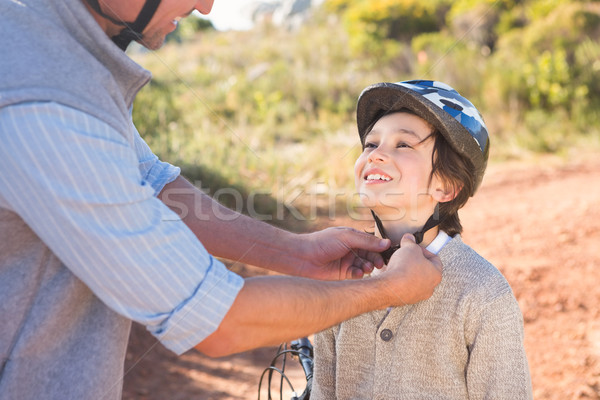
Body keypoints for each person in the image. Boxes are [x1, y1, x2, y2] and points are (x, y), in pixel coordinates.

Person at [0, 1, 443, 399]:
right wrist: (386, 290)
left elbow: (152, 181)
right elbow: (217, 320)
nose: (207, 7)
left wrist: (298, 253)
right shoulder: (43, 101)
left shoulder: (57, 52)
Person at [311, 80, 533, 399]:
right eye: (371, 145)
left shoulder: (482, 293)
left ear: (446, 187)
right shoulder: (341, 276)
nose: (376, 155)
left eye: (403, 145)